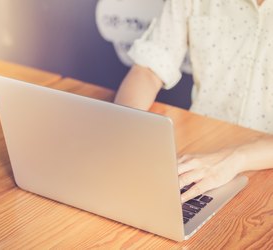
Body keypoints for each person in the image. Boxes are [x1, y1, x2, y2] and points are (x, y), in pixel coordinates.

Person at [114, 0, 273, 202]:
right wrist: (121, 130)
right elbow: (148, 69)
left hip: (263, 170)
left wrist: (234, 159)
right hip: (200, 154)